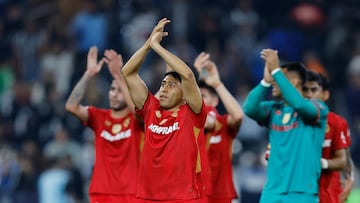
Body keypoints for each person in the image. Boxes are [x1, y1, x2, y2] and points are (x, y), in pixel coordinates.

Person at [121, 18, 207, 202]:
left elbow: (188, 75)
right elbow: (127, 72)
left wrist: (158, 47)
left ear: (185, 94)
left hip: (182, 197)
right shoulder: (150, 108)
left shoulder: (192, 113)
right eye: (163, 84)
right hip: (148, 196)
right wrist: (148, 45)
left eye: (172, 85)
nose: (165, 89)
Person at [243, 49, 328, 203]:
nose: (274, 82)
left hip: (302, 194)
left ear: (294, 82)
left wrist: (276, 69)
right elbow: (249, 108)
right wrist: (265, 82)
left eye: (278, 78)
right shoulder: (274, 109)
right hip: (271, 192)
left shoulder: (318, 108)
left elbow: (300, 105)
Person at [65, 46, 143, 203]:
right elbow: (71, 106)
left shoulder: (138, 120)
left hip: (132, 193)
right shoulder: (99, 117)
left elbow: (137, 110)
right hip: (102, 193)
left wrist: (118, 74)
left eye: (119, 90)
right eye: (112, 89)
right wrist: (89, 74)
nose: (114, 94)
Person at [193, 52, 243, 203]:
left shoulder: (223, 124)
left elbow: (238, 116)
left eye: (203, 96)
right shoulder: (186, 125)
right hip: (194, 192)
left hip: (220, 193)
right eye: (196, 96)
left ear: (215, 101)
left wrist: (217, 84)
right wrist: (193, 75)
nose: (199, 101)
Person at [303, 70, 354, 203]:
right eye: (304, 90)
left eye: (314, 90)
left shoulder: (337, 122)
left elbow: (345, 160)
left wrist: (350, 179)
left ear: (325, 94)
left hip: (329, 194)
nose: (309, 95)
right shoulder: (289, 121)